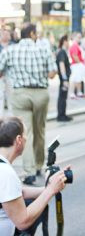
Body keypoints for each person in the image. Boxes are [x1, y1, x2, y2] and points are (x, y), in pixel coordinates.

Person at [0, 23, 57, 185]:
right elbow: (53, 74)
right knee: (40, 130)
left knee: (26, 132)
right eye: (36, 33)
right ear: (31, 34)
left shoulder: (10, 50)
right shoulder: (44, 49)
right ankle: (39, 165)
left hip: (20, 94)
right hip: (41, 93)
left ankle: (29, 171)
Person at [0, 116, 69, 236]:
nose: (27, 139)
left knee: (31, 202)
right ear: (19, 140)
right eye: (26, 135)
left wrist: (50, 187)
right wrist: (51, 190)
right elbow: (22, 221)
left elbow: (18, 193)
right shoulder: (5, 173)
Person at [55, 35, 73, 122]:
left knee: (63, 96)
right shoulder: (62, 52)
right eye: (68, 41)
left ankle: (62, 114)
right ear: (64, 41)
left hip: (64, 78)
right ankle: (61, 115)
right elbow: (62, 66)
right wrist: (65, 79)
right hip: (64, 79)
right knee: (62, 96)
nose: (69, 43)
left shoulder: (61, 51)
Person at [68, 32, 85, 99]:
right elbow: (74, 55)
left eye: (80, 37)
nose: (79, 39)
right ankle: (72, 93)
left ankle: (79, 92)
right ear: (74, 37)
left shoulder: (76, 45)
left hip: (78, 64)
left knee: (78, 79)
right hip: (76, 65)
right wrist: (79, 63)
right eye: (78, 37)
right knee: (74, 79)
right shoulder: (74, 45)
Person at [0, 28, 12, 117]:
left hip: (11, 76)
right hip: (0, 76)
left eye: (7, 34)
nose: (5, 36)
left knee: (11, 97)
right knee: (1, 97)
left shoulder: (14, 46)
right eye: (3, 34)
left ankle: (12, 118)